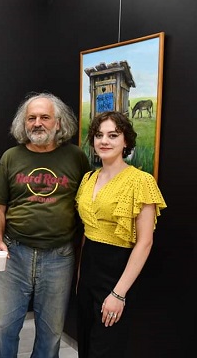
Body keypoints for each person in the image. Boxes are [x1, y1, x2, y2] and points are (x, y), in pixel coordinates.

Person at [0, 91, 91, 358]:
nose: (37, 123)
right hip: (14, 255)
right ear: (23, 123)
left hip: (59, 257)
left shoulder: (76, 157)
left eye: (45, 117)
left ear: (58, 122)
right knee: (3, 328)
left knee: (51, 333)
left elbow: (87, 206)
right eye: (31, 118)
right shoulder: (11, 156)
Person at [75, 111, 166, 357]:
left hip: (117, 273)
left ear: (126, 141)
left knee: (105, 348)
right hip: (89, 272)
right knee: (86, 344)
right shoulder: (88, 178)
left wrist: (118, 293)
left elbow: (145, 242)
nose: (104, 141)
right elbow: (86, 232)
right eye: (99, 135)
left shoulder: (140, 181)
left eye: (113, 135)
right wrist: (80, 277)